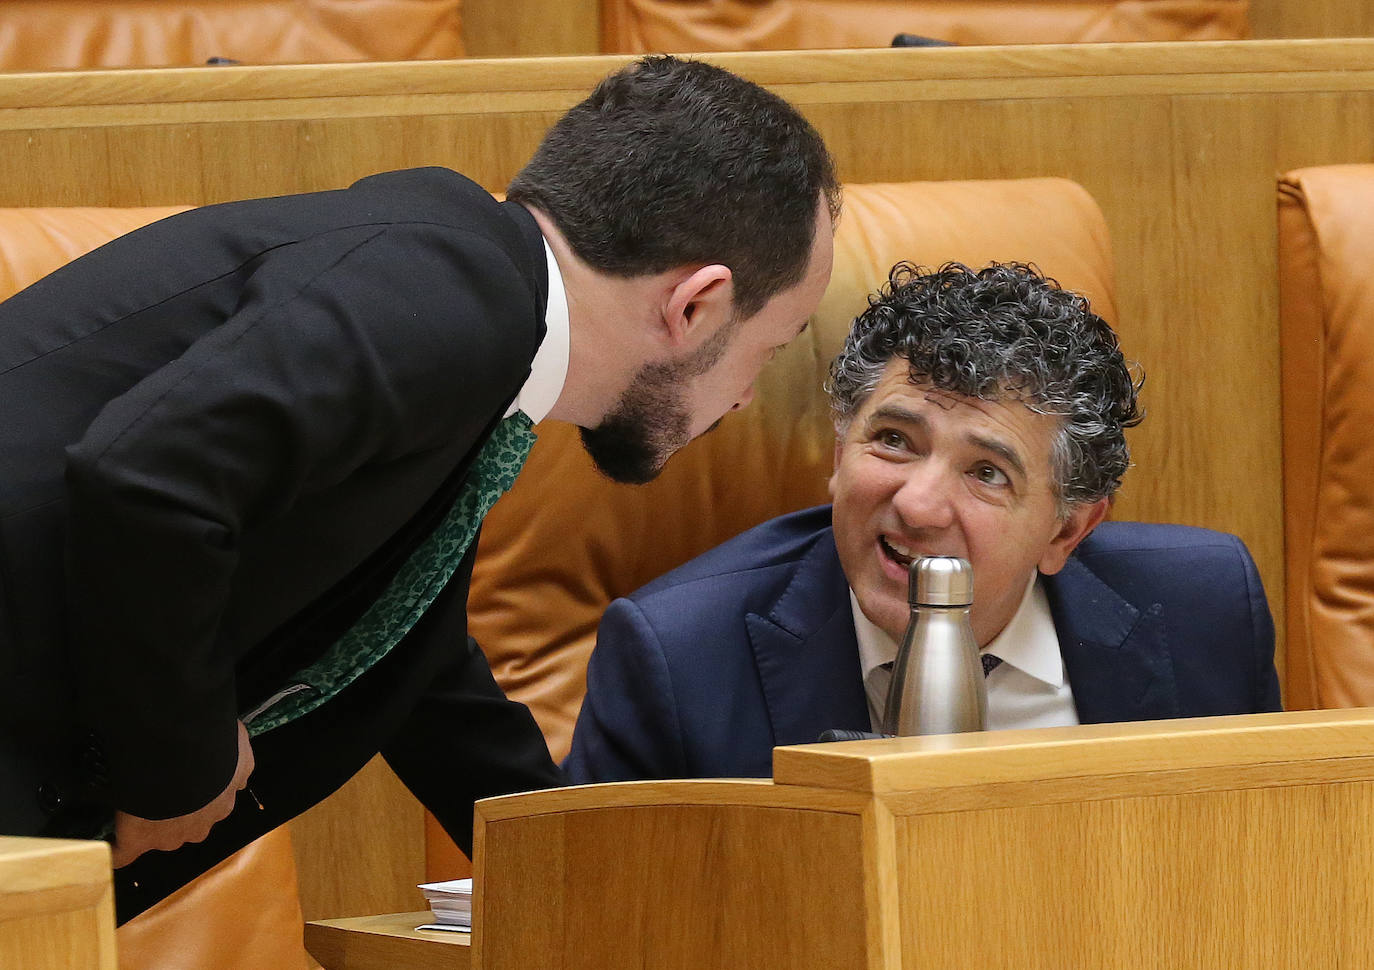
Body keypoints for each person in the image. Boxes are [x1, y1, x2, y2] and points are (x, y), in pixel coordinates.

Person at [0, 54, 840, 921]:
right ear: (696, 305)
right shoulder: (450, 288)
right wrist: (175, 766)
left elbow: (409, 654)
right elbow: (148, 476)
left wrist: (596, 883)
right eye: (768, 350)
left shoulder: (470, 313)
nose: (743, 398)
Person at [564, 261, 1281, 784]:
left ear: (1067, 532)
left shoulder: (1205, 613)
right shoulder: (677, 657)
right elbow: (587, 926)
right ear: (841, 454)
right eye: (896, 441)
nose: (918, 504)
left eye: (987, 473)